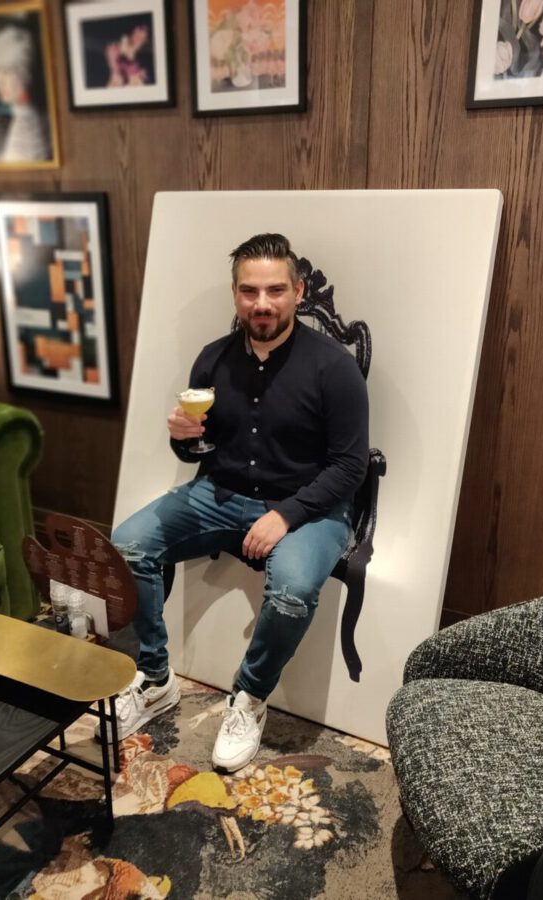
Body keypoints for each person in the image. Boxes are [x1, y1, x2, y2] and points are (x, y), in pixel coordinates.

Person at [109, 233, 369, 773]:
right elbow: (199, 448)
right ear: (235, 295)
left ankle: (248, 697)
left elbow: (350, 466)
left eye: (276, 290)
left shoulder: (334, 368)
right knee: (128, 543)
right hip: (219, 494)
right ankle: (155, 677)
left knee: (295, 590)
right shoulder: (213, 359)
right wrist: (184, 437)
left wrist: (286, 515)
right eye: (250, 291)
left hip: (309, 507)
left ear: (298, 292)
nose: (263, 303)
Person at [0, 25, 49, 162]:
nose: (0, 80)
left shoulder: (28, 125)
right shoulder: (20, 116)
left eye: (8, 71)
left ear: (24, 73)